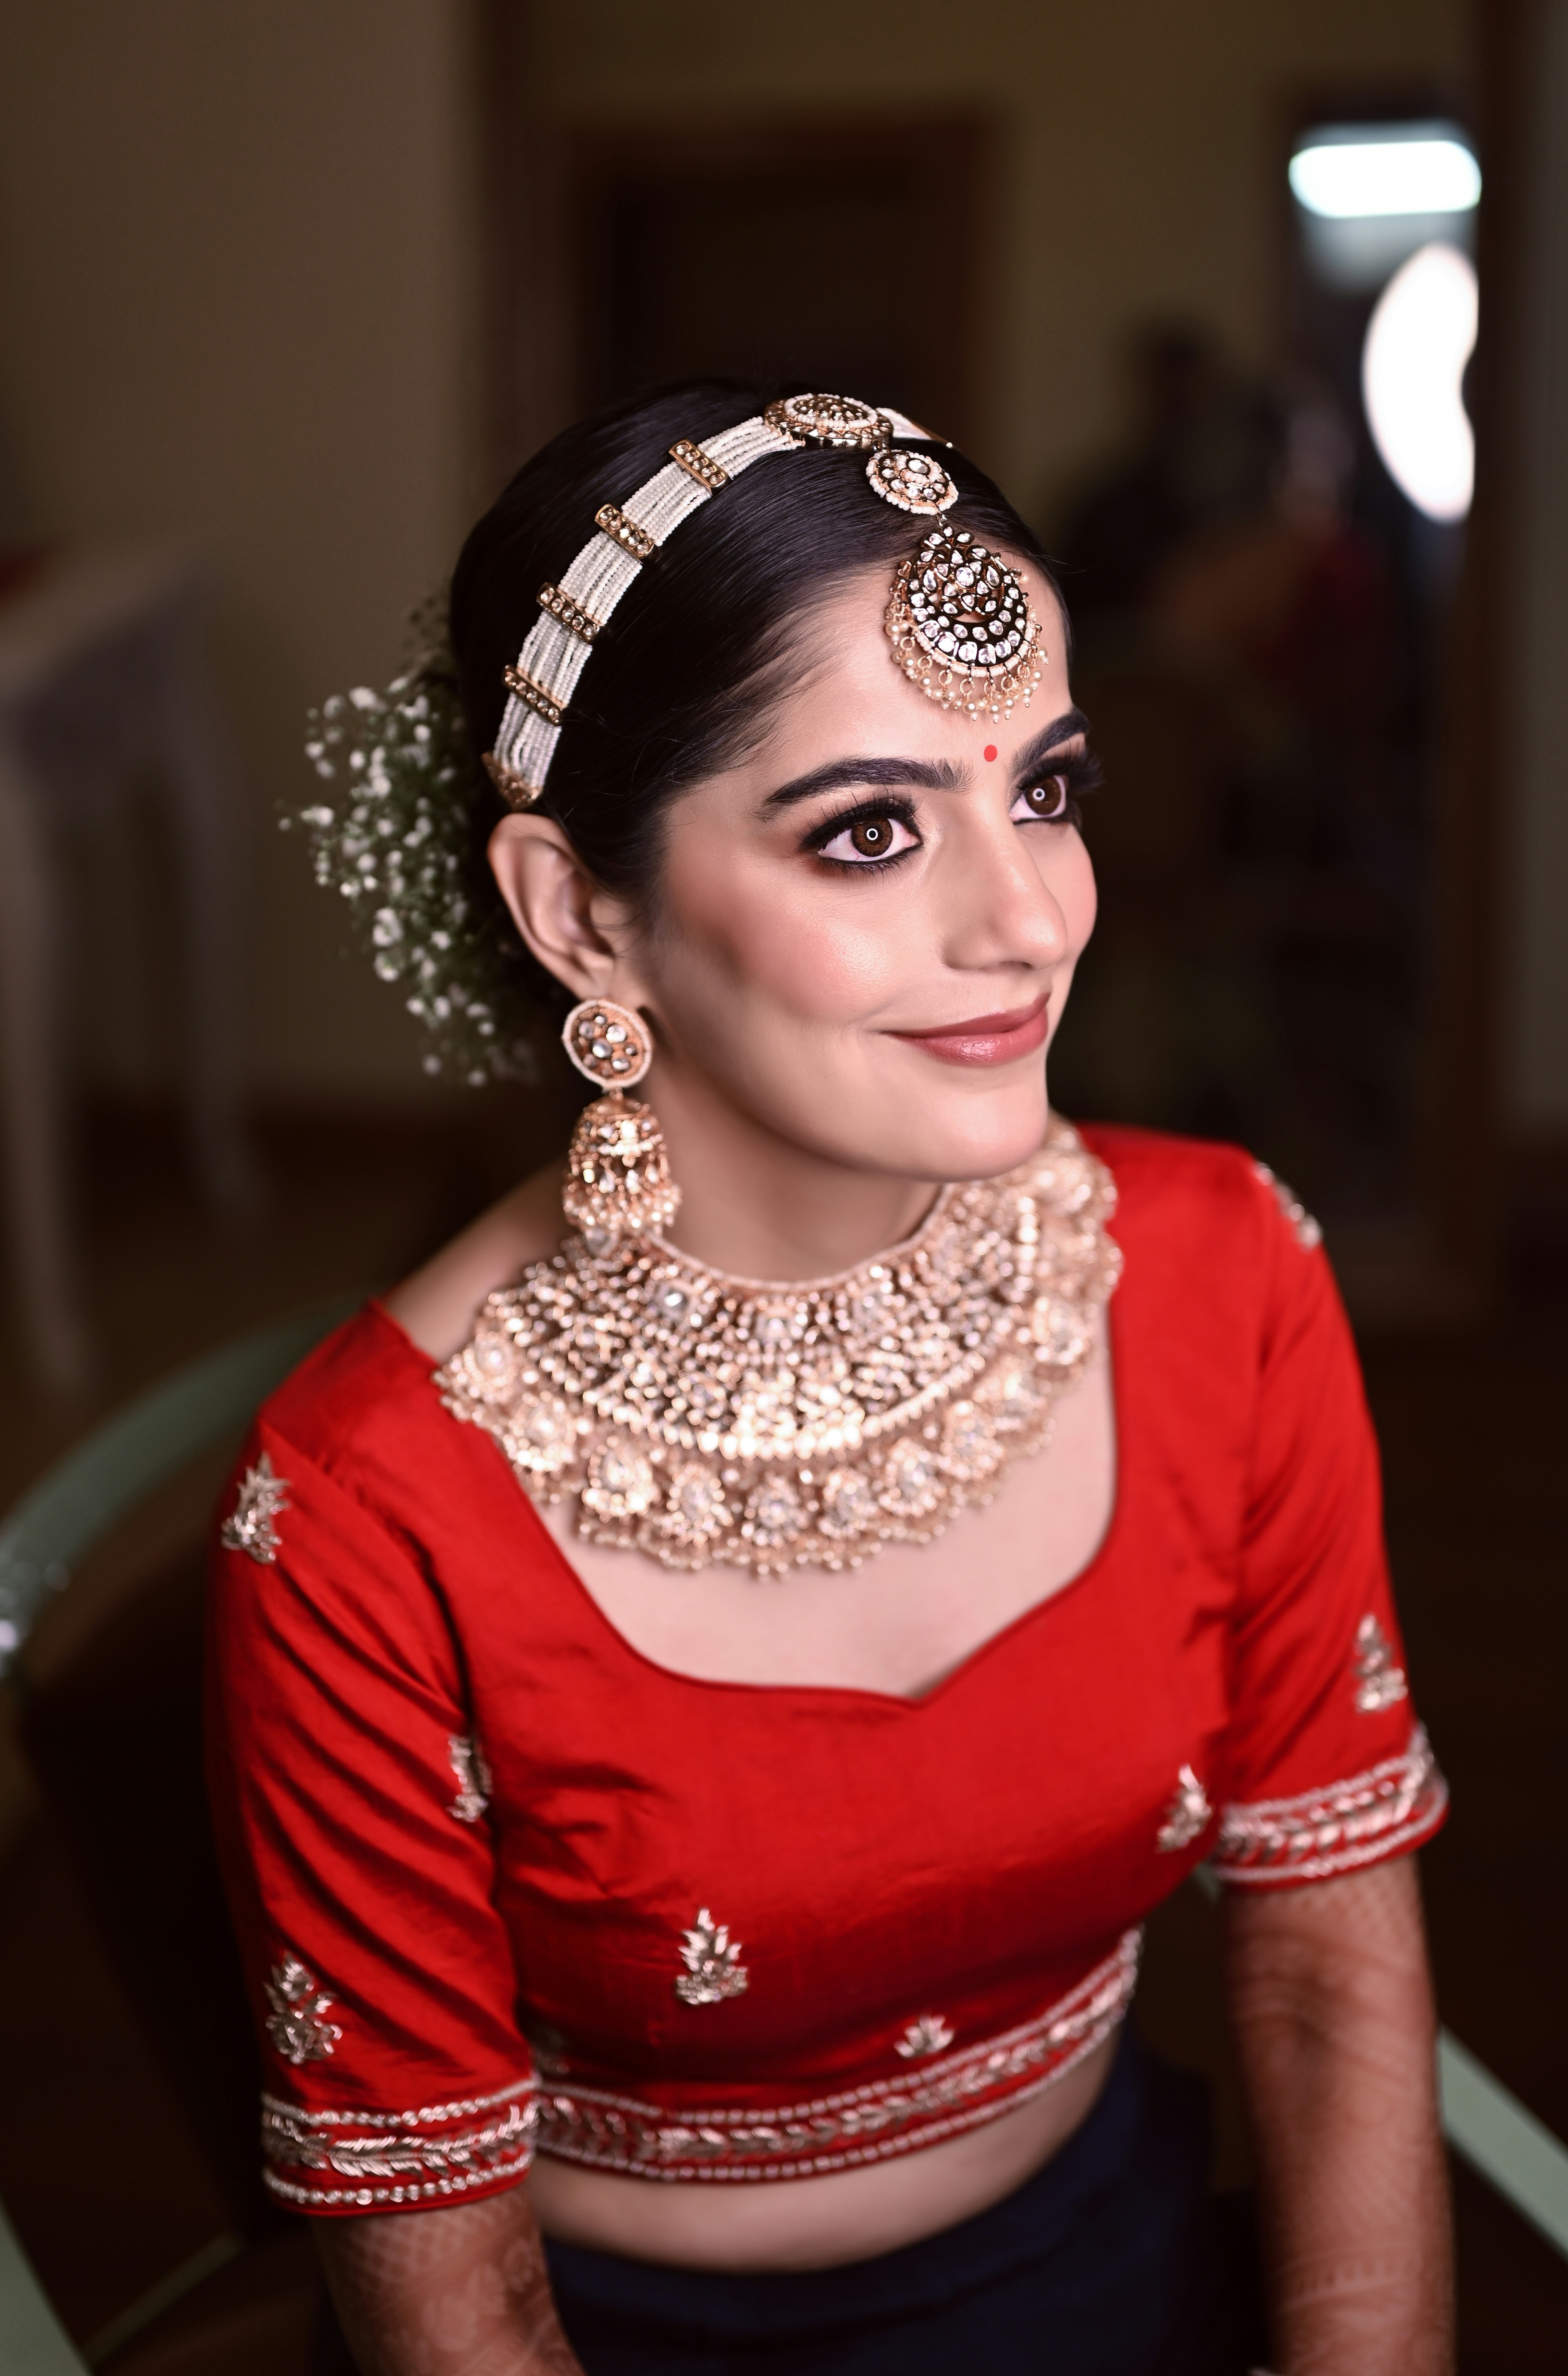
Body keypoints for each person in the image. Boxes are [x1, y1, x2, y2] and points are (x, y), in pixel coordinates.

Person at [207, 382, 1454, 2376]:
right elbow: (460, 2305)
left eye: (1042, 789)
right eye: (870, 830)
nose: (1030, 919)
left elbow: (1322, 1977)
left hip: (1123, 2276)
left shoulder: (1223, 1272)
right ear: (581, 915)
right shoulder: (367, 1513)